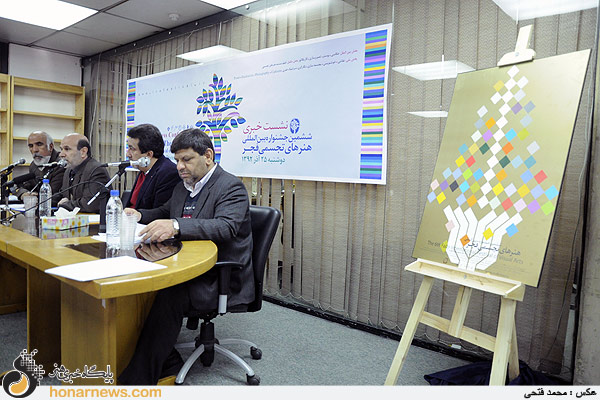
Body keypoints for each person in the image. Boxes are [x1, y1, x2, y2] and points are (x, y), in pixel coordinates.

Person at [118, 128, 253, 385]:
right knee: (142, 284)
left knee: (167, 292)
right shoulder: (184, 187)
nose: (180, 166)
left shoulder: (230, 186)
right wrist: (140, 214)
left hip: (221, 275)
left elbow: (226, 227)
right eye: (177, 160)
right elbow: (165, 211)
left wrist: (176, 226)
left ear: (208, 156)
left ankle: (138, 380)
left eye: (187, 159)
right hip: (188, 264)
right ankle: (163, 356)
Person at [123, 124, 180, 209]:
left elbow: (160, 212)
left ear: (149, 154)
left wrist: (137, 214)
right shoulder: (143, 170)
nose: (128, 154)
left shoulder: (168, 173)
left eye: (132, 149)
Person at [57, 133, 110, 213]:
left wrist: (65, 204)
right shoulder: (69, 170)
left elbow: (90, 204)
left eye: (67, 149)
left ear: (83, 152)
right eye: (61, 149)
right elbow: (62, 195)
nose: (61, 154)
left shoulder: (96, 170)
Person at [14, 131, 66, 206]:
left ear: (50, 147)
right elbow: (25, 186)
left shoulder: (61, 164)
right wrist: (23, 194)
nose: (35, 150)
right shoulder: (33, 165)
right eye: (31, 146)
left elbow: (53, 197)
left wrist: (32, 198)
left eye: (39, 144)